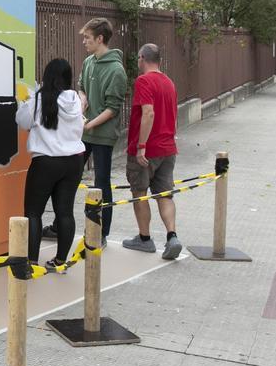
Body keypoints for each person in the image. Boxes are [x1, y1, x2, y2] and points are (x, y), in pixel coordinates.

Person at [41, 17, 126, 244]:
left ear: (100, 39)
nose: (84, 42)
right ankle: (59, 226)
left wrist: (89, 123)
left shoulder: (116, 70)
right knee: (70, 178)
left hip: (102, 136)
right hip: (83, 133)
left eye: (87, 38)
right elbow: (81, 87)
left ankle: (101, 233)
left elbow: (113, 108)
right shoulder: (89, 62)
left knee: (102, 182)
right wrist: (83, 99)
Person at [16, 58, 85, 267]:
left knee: (33, 212)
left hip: (46, 162)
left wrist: (25, 101)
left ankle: (31, 262)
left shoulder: (39, 99)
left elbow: (22, 121)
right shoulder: (75, 98)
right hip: (74, 161)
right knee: (65, 212)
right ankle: (60, 260)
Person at [122, 44, 182, 259]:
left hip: (148, 150)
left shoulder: (144, 81)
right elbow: (172, 114)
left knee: (140, 193)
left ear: (142, 58)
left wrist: (141, 147)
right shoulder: (169, 82)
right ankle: (172, 236)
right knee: (165, 194)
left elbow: (148, 113)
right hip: (168, 148)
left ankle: (145, 239)